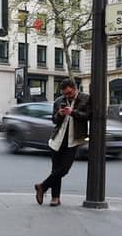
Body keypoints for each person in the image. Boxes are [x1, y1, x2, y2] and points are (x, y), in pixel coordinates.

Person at [34, 79, 91, 207]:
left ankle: (42, 186)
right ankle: (55, 198)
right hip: (57, 139)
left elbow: (87, 116)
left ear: (75, 88)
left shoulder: (85, 98)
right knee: (56, 169)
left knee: (64, 169)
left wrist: (72, 112)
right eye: (65, 94)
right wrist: (59, 114)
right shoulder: (59, 101)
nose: (67, 96)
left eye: (69, 93)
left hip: (73, 139)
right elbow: (54, 120)